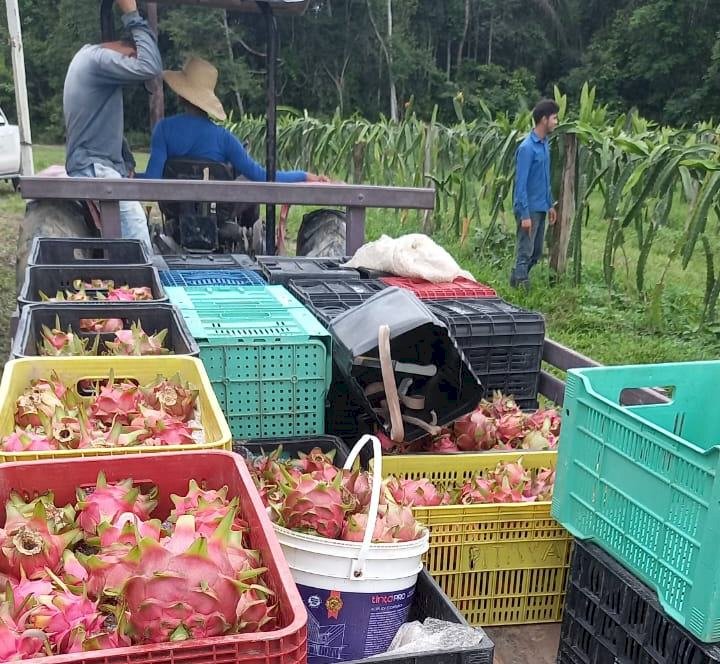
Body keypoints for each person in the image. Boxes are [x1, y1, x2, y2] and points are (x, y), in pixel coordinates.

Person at [63, 0, 162, 251]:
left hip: (95, 163)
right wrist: (131, 13)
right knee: (136, 231)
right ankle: (144, 287)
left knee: (133, 227)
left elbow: (103, 126)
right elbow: (150, 66)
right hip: (94, 167)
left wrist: (126, 161)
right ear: (129, 52)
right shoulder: (97, 61)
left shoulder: (93, 63)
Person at [140, 57, 329, 183]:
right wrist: (304, 175)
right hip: (215, 217)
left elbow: (152, 180)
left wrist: (129, 177)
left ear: (181, 95)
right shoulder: (224, 138)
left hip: (174, 213)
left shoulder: (164, 129)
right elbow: (262, 176)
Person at [510, 99, 560, 289]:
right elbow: (520, 184)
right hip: (528, 208)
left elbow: (544, 178)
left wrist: (550, 204)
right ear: (544, 119)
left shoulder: (545, 144)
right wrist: (524, 215)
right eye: (554, 118)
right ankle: (522, 290)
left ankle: (515, 279)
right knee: (525, 252)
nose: (556, 122)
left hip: (540, 206)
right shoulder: (526, 148)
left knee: (536, 253)